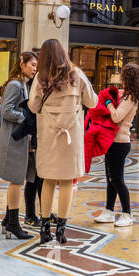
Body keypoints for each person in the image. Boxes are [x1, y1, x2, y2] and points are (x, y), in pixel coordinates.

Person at [28, 39, 97, 245]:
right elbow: (92, 102)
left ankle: (44, 227)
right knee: (67, 181)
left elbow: (33, 106)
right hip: (70, 138)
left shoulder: (40, 78)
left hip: (49, 136)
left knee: (48, 180)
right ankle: (62, 228)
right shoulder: (76, 75)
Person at [0, 52, 40, 239]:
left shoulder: (23, 85)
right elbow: (6, 111)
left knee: (19, 179)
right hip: (14, 140)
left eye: (36, 65)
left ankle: (7, 220)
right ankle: (12, 223)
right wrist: (26, 119)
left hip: (20, 140)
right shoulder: (15, 85)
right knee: (17, 181)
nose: (35, 68)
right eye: (32, 64)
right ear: (22, 64)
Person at [91, 62, 139, 227]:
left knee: (117, 179)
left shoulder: (131, 98)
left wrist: (108, 104)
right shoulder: (127, 95)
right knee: (110, 179)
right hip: (113, 142)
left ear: (128, 78)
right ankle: (108, 211)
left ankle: (127, 214)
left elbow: (116, 117)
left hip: (120, 143)